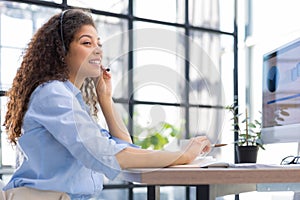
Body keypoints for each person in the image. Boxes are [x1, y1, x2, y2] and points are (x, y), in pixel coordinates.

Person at [1, 9, 211, 199]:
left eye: (98, 44)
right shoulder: (52, 94)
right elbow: (103, 154)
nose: (98, 51)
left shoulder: (71, 98)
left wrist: (105, 100)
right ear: (61, 50)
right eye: (86, 43)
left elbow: (123, 146)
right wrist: (182, 156)